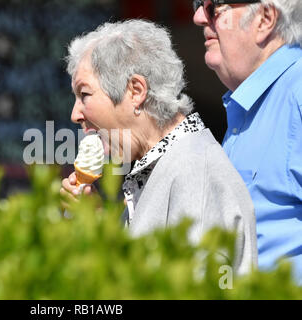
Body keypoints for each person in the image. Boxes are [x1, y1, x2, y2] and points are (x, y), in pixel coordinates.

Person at [60, 20, 257, 275]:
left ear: (136, 90)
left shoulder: (195, 173)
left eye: (84, 94)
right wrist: (95, 223)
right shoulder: (159, 167)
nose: (75, 114)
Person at [193, 0, 302, 283]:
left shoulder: (298, 93)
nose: (198, 17)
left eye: (212, 6)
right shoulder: (249, 104)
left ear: (265, 19)